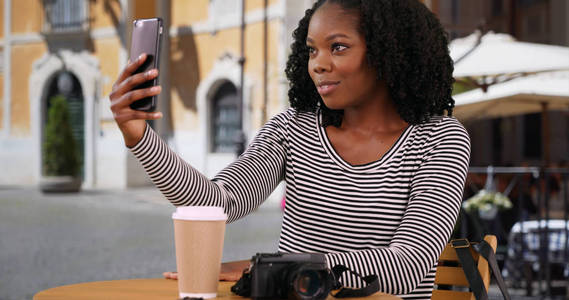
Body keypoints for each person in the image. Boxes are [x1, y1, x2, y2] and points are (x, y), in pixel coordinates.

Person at [109, 0, 470, 298]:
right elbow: (216, 202)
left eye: (338, 47)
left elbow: (407, 265)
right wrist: (140, 137)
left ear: (389, 51)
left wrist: (282, 270)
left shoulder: (440, 139)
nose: (318, 63)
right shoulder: (293, 128)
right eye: (312, 50)